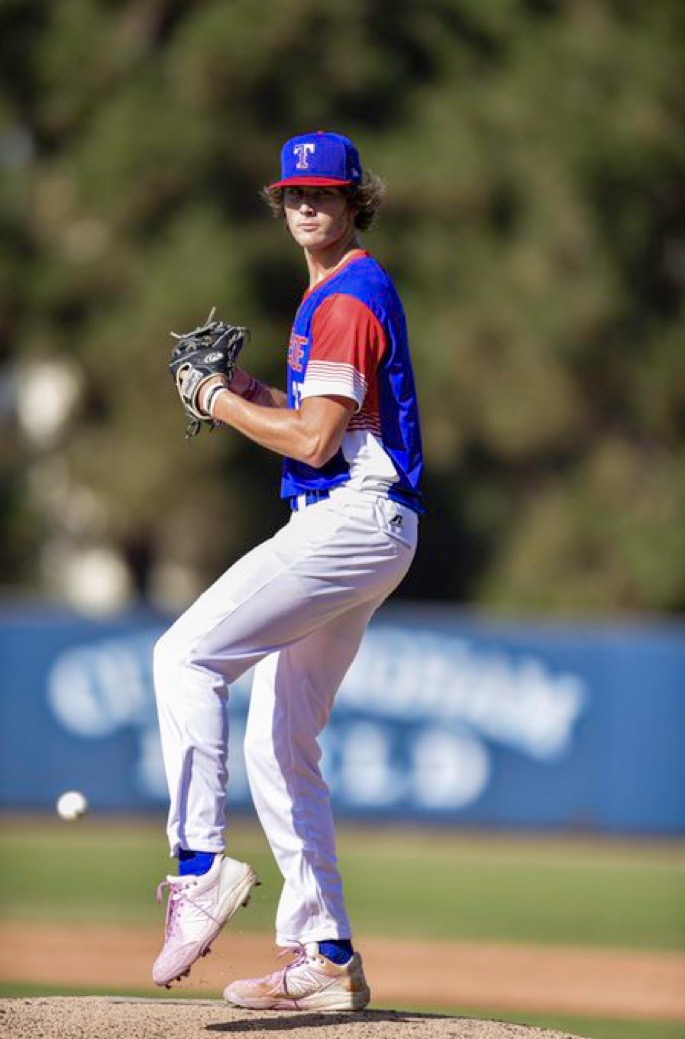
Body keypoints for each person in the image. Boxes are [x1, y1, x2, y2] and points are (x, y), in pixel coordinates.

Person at [152, 130, 424, 1011]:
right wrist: (247, 386)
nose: (308, 205)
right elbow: (320, 422)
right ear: (282, 206)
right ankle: (327, 957)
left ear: (355, 202)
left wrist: (217, 401)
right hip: (369, 521)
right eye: (294, 194)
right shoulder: (334, 295)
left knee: (185, 654)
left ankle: (199, 866)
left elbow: (312, 443)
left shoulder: (346, 296)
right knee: (279, 740)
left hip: (352, 519)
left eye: (326, 194)